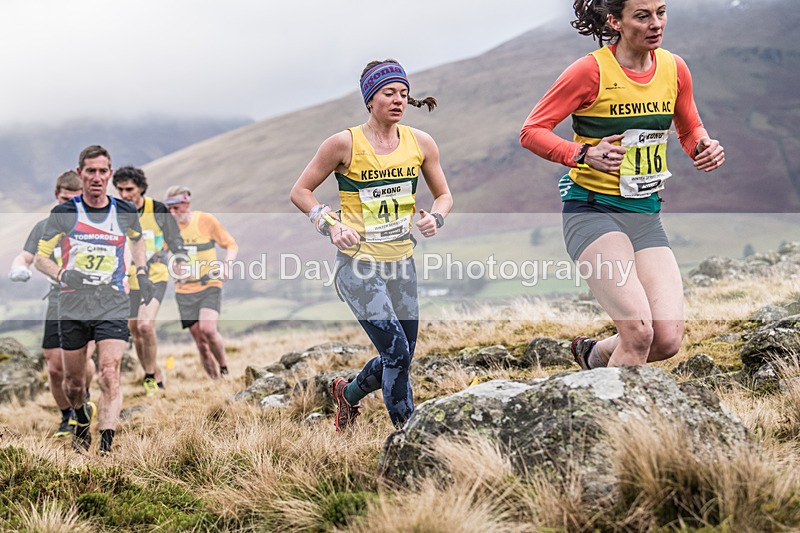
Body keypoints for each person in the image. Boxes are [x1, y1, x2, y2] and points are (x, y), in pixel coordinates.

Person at [519, 0, 725, 369]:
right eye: (642, 16)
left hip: (645, 216)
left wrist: (702, 147)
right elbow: (531, 131)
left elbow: (690, 126)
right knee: (638, 333)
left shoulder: (674, 68)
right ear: (615, 21)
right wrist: (583, 153)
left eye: (661, 13)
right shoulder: (589, 71)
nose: (656, 24)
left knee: (666, 339)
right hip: (593, 212)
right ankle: (611, 425)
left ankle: (593, 355)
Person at [290, 58, 453, 431]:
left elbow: (444, 195)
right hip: (358, 265)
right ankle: (408, 436)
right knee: (396, 352)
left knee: (402, 353)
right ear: (370, 99)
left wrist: (435, 218)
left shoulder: (421, 143)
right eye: (388, 93)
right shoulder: (343, 143)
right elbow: (300, 192)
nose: (398, 100)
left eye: (403, 94)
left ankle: (347, 395)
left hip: (402, 262)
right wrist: (329, 225)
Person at [34, 145, 154, 453]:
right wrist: (62, 275)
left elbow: (138, 241)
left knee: (109, 372)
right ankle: (80, 420)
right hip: (72, 302)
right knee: (74, 383)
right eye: (91, 171)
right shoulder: (64, 213)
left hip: (112, 300)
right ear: (80, 174)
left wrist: (142, 272)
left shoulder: (124, 211)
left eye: (103, 171)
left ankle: (107, 443)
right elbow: (40, 258)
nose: (97, 177)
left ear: (110, 174)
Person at [8, 171, 96, 438]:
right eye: (64, 198)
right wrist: (18, 266)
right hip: (58, 299)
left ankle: (83, 396)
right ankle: (67, 416)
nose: (68, 204)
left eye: (74, 198)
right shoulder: (44, 226)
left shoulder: (93, 225)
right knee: (55, 367)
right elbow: (27, 256)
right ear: (56, 196)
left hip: (88, 300)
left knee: (81, 361)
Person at [113, 166, 185, 396]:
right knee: (134, 329)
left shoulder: (157, 210)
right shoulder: (116, 212)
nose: (125, 194)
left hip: (155, 275)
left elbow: (176, 240)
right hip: (127, 279)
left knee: (145, 324)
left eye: (129, 189)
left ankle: (151, 375)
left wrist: (181, 263)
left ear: (141, 188)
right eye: (120, 189)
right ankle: (150, 374)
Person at [164, 185, 237, 379]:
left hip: (209, 285)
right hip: (184, 290)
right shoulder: (168, 227)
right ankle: (216, 383)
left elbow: (230, 244)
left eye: (176, 207)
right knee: (201, 344)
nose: (172, 212)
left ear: (186, 204)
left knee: (208, 330)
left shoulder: (205, 220)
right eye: (168, 208)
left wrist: (227, 265)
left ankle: (224, 369)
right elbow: (159, 254)